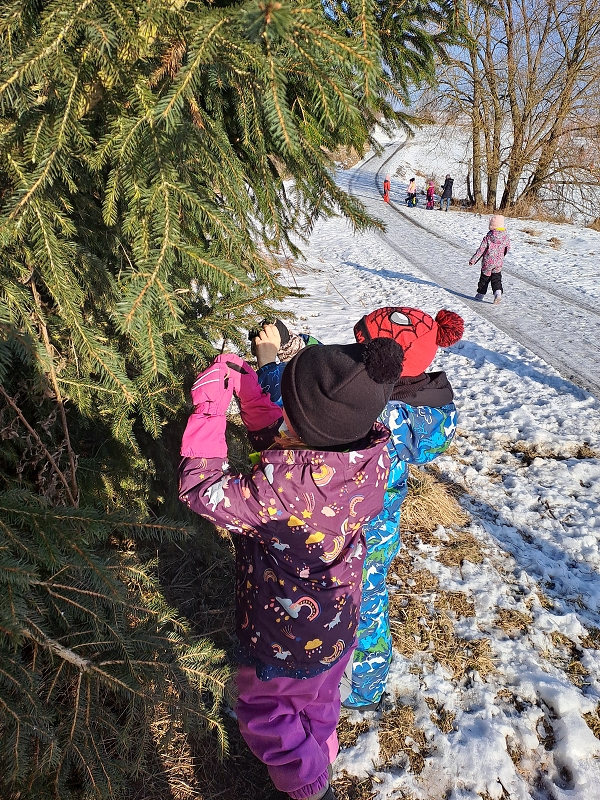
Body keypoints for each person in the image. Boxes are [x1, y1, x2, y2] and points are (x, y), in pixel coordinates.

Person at [179, 335, 404, 800]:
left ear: (303, 425)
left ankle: (305, 783)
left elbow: (201, 488)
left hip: (284, 641)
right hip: (338, 626)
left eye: (287, 410)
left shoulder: (277, 493)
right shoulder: (369, 459)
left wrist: (209, 408)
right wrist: (254, 401)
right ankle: (322, 751)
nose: (281, 415)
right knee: (320, 698)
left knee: (265, 711)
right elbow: (293, 461)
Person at [251, 310, 464, 711]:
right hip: (382, 531)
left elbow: (296, 406)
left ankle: (346, 686)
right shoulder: (422, 408)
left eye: (359, 350)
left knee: (349, 606)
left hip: (347, 536)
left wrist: (269, 364)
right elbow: (339, 374)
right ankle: (368, 680)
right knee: (371, 599)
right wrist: (302, 342)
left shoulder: (378, 414)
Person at [469, 214, 510, 304]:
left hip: (488, 262)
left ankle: (480, 294)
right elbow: (507, 248)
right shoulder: (505, 236)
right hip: (499, 262)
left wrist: (473, 260)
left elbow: (481, 249)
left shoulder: (488, 236)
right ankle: (498, 293)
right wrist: (502, 256)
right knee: (496, 278)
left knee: (484, 279)